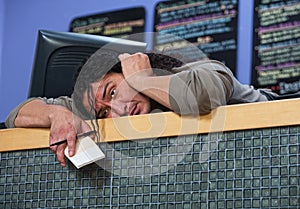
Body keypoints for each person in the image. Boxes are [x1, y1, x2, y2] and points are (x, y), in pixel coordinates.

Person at [5, 49, 275, 167]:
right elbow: (17, 114)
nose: (118, 110)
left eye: (113, 91)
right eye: (104, 112)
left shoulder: (195, 71)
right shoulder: (101, 105)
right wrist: (58, 114)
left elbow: (200, 96)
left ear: (127, 68)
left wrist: (143, 79)